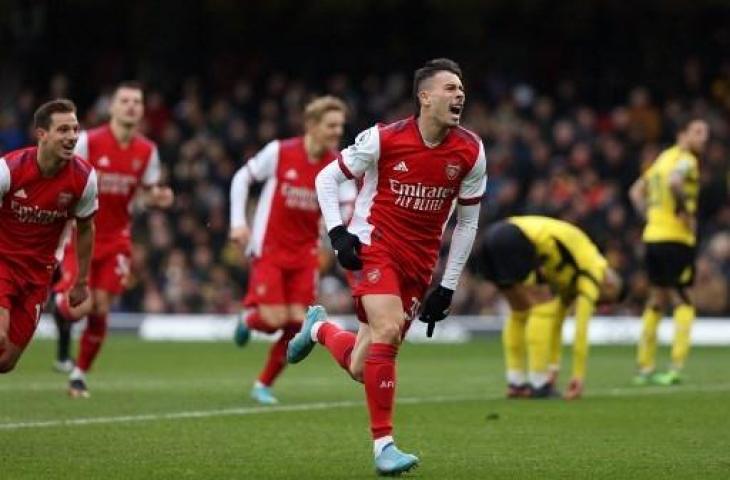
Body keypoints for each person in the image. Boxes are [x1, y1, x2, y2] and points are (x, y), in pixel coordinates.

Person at [287, 58, 487, 475]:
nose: (459, 95)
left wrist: (448, 287)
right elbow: (327, 178)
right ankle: (384, 446)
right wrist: (338, 233)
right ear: (425, 97)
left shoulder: (471, 151)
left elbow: (468, 222)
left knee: (363, 366)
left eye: (461, 88)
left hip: (419, 262)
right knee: (388, 327)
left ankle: (320, 329)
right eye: (450, 88)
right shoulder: (383, 138)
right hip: (373, 245)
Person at [228, 96, 355, 405]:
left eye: (341, 126)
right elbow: (242, 178)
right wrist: (237, 222)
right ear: (311, 125)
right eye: (331, 125)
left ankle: (263, 384)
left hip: (305, 255)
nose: (338, 132)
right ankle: (248, 321)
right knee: (273, 319)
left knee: (300, 324)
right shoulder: (280, 151)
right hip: (269, 248)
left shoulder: (337, 163)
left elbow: (350, 201)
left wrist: (339, 226)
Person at [53, 82, 174, 397]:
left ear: (143, 109)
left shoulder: (148, 151)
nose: (131, 106)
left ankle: (79, 374)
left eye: (137, 101)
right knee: (80, 307)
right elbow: (64, 182)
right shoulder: (88, 143)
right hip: (82, 234)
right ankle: (60, 313)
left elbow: (145, 196)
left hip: (118, 238)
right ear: (113, 107)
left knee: (102, 307)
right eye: (125, 100)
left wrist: (158, 198)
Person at [477, 216, 623, 400]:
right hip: (514, 238)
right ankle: (539, 383)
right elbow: (581, 329)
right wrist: (578, 376)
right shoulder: (593, 272)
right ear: (609, 284)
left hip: (491, 235)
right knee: (544, 307)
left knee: (520, 310)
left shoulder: (572, 269)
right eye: (605, 300)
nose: (600, 305)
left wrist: (554, 367)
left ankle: (516, 382)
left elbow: (558, 321)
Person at [0, 99, 98, 373]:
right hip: (2, 264)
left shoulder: (84, 178)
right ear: (41, 134)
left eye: (75, 129)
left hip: (37, 275)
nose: (72, 137)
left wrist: (81, 280)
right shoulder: (8, 170)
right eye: (63, 130)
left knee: (5, 362)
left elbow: (86, 228)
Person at [629, 117, 708, 386]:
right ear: (683, 134)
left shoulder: (661, 159)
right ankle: (675, 365)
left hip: (653, 237)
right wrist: (684, 211)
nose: (703, 139)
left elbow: (636, 191)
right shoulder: (687, 160)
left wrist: (650, 218)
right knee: (684, 300)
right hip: (677, 238)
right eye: (697, 132)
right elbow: (676, 183)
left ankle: (644, 367)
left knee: (656, 299)